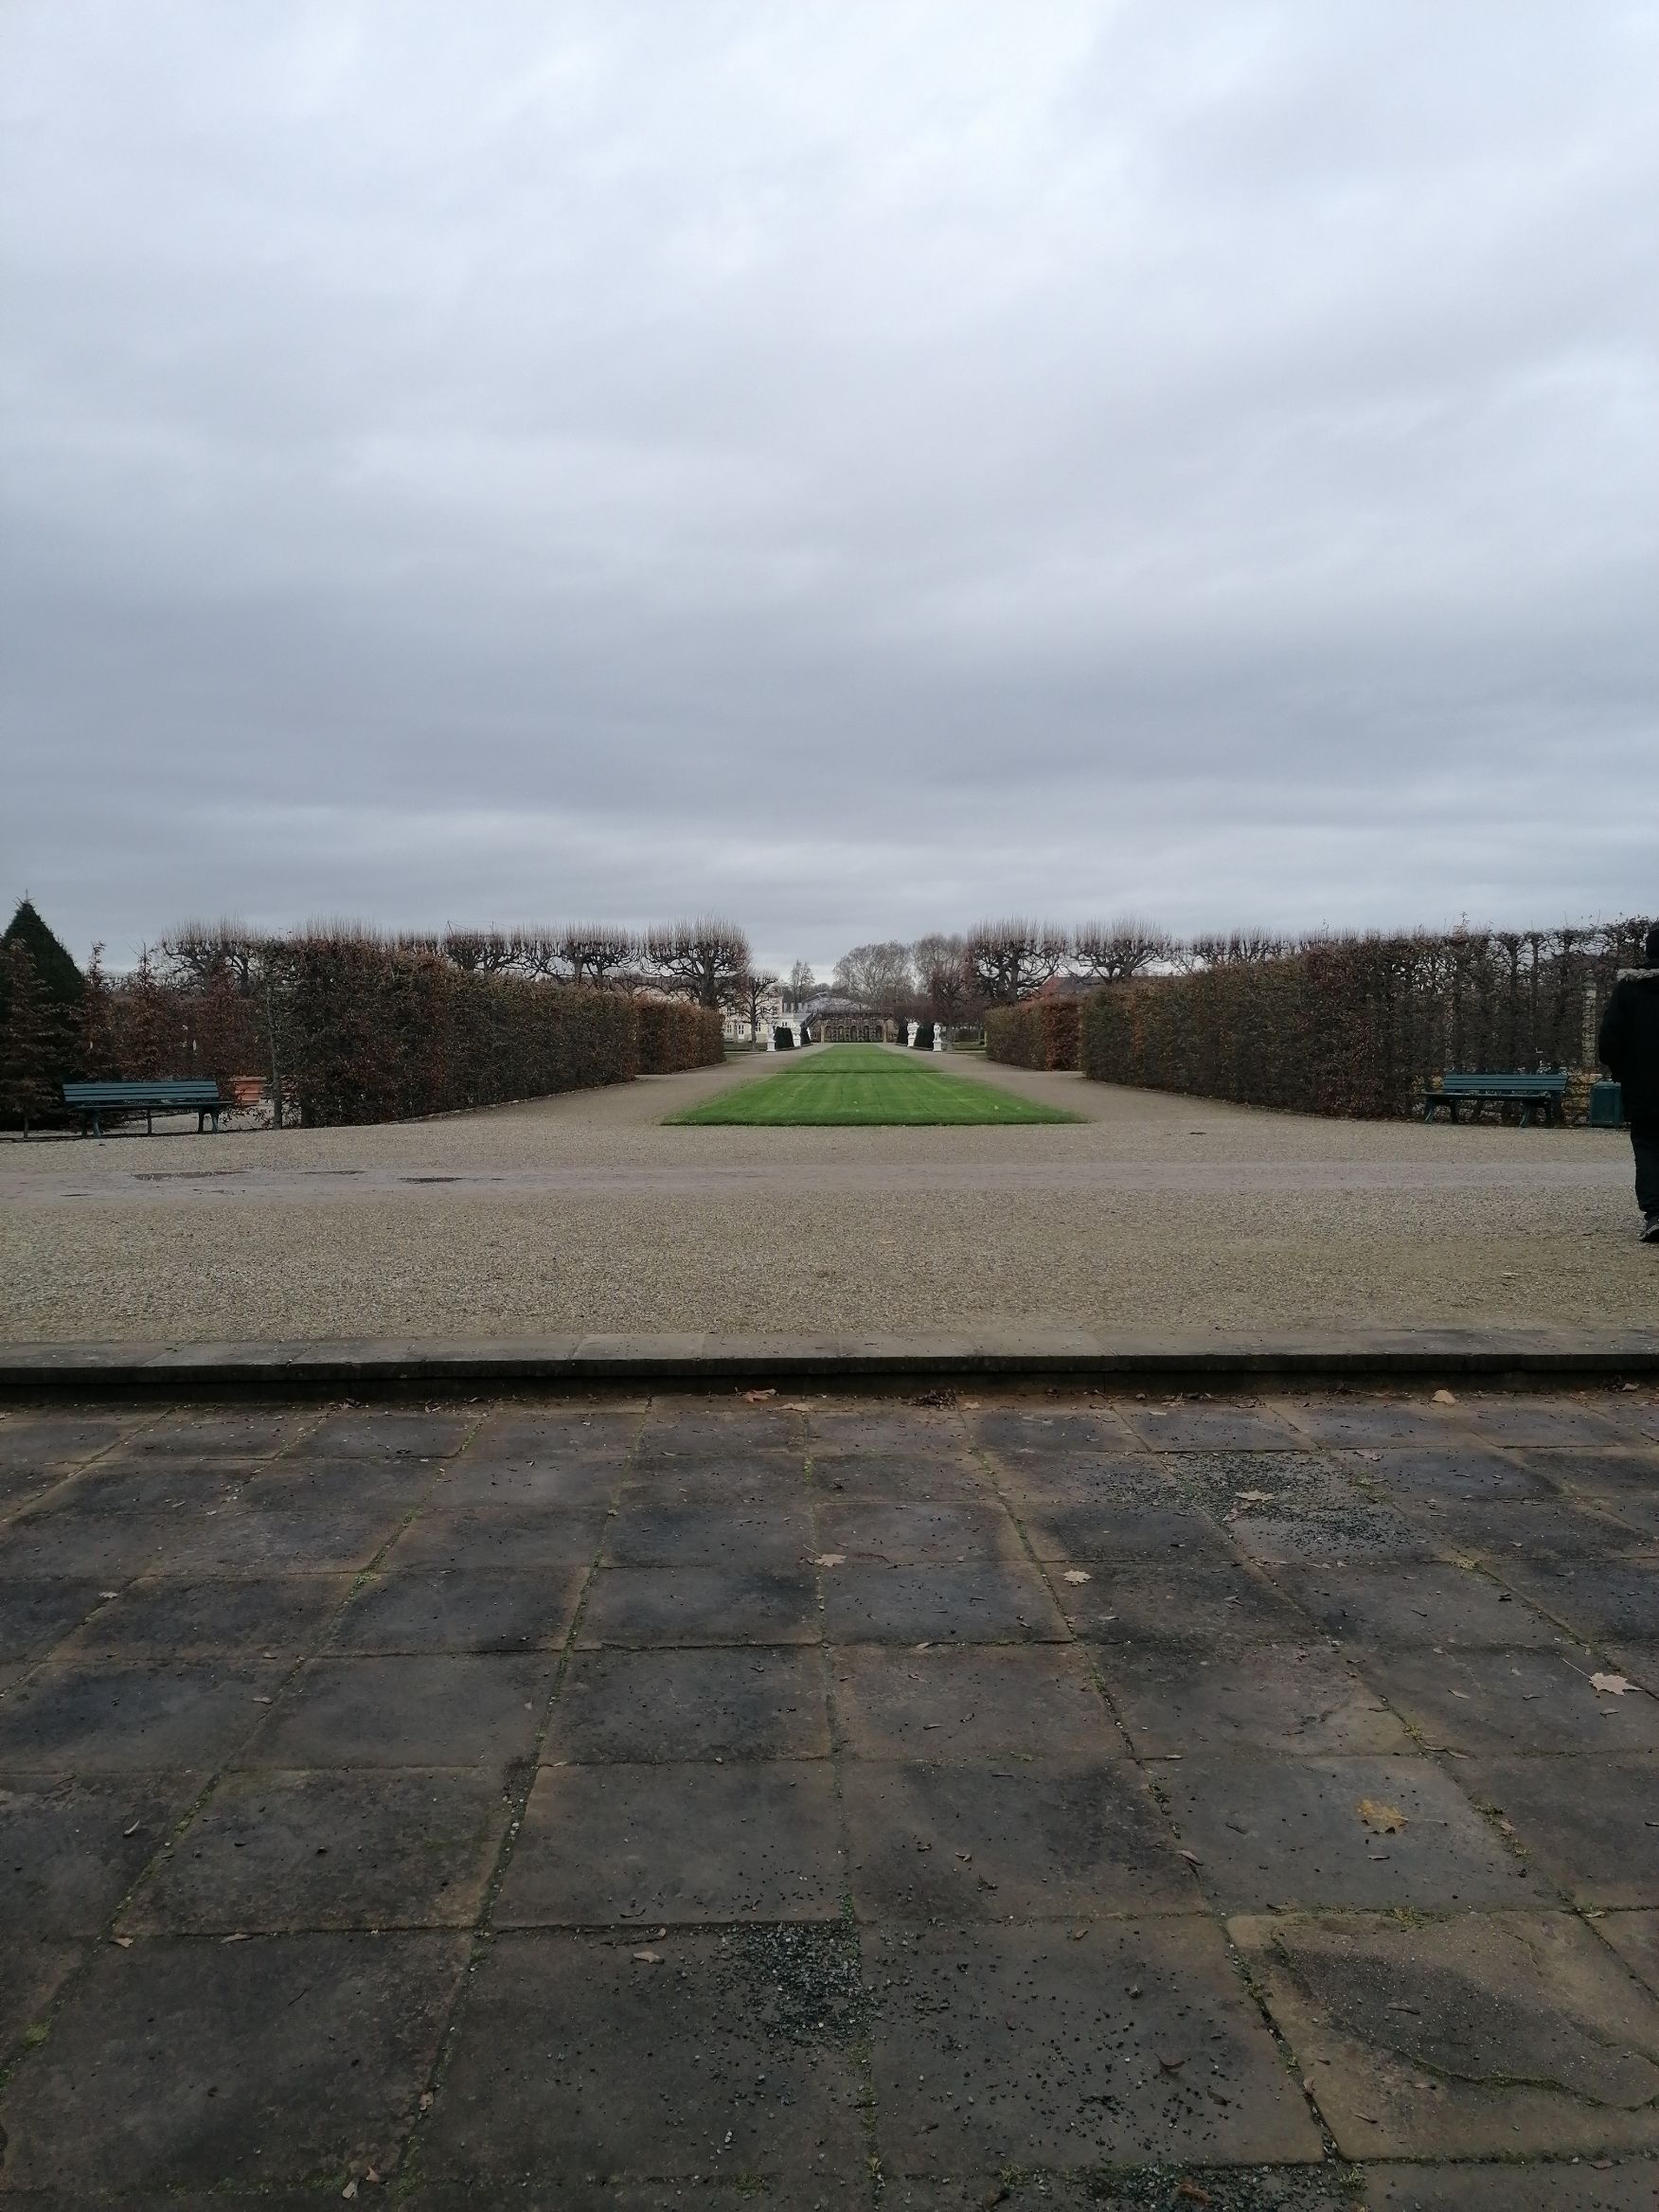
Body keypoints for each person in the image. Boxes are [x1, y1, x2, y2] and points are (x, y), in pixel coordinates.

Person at [1597, 920, 1659, 1243]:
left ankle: (1656, 1214)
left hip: (1644, 1085)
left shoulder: (1629, 990)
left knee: (1648, 1146)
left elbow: (1609, 1042)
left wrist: (1624, 1072)